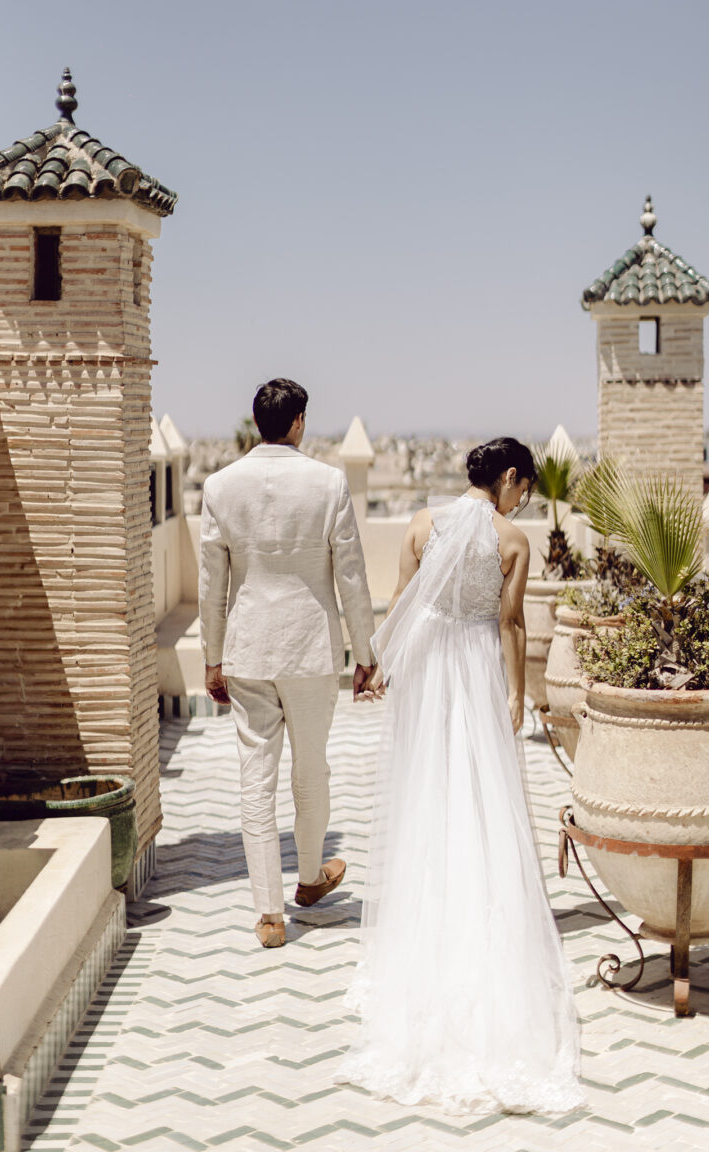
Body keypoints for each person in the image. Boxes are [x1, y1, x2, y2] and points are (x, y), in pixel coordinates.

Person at [337, 437, 584, 1114]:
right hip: (475, 665)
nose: (524, 497)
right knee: (481, 794)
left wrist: (381, 665)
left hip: (428, 662)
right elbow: (509, 622)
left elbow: (400, 600)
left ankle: (430, 913)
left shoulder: (422, 523)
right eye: (524, 486)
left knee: (430, 788)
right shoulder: (512, 540)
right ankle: (480, 916)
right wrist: (512, 693)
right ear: (509, 479)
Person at [199, 379, 375, 949]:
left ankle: (269, 915)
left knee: (257, 780)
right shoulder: (327, 483)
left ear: (257, 423)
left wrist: (212, 657)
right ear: (298, 421)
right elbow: (350, 574)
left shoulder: (221, 487)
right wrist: (365, 653)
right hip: (310, 650)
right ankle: (308, 879)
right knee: (311, 771)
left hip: (248, 650)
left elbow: (211, 584)